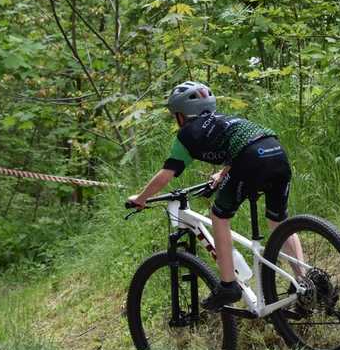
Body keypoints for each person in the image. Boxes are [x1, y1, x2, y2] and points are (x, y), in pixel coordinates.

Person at [127, 81, 303, 311]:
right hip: (276, 151)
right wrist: (223, 172)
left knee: (219, 215)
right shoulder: (225, 119)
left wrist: (141, 198)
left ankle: (229, 285)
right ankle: (305, 279)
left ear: (182, 115)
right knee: (278, 221)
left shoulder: (187, 134)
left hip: (250, 158)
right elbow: (243, 142)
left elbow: (166, 173)